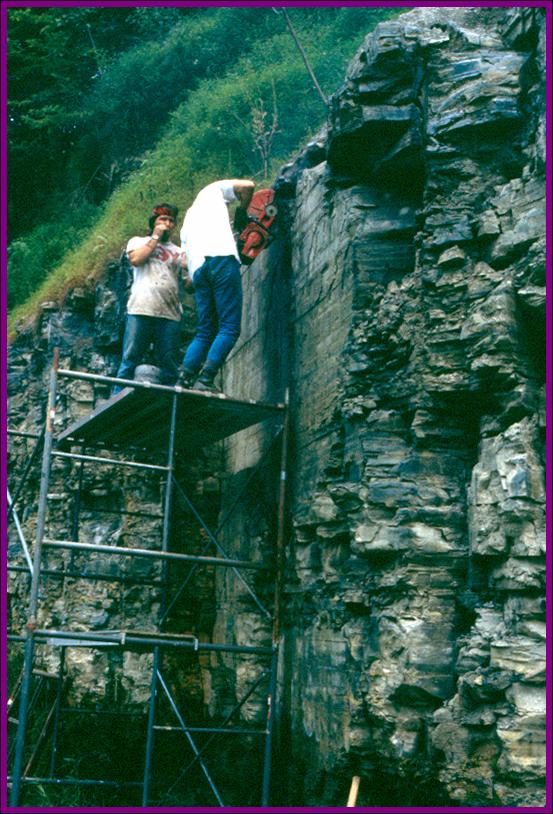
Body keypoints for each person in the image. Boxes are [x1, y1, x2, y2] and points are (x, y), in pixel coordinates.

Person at [178, 179, 255, 392]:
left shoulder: (187, 223)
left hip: (199, 272)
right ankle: (205, 380)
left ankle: (184, 378)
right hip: (221, 259)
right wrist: (242, 211)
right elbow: (248, 186)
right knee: (229, 327)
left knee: (204, 331)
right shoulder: (211, 189)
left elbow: (184, 263)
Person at [113, 204, 186, 393]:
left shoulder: (179, 251)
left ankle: (170, 404)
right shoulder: (138, 241)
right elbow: (136, 260)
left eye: (171, 221)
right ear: (154, 222)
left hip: (170, 313)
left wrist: (194, 268)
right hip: (141, 308)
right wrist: (155, 238)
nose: (167, 224)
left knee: (169, 362)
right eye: (163, 219)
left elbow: (189, 284)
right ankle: (115, 402)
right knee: (130, 358)